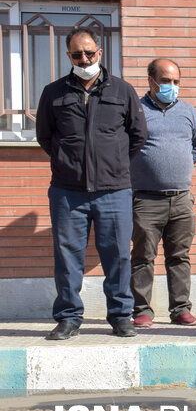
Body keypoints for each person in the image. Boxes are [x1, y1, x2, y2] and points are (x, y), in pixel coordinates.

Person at [35, 26, 147, 340]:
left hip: (114, 190)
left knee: (118, 255)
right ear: (68, 56)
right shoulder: (53, 92)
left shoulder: (122, 91)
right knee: (68, 255)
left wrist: (113, 163)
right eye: (76, 54)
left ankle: (120, 316)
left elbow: (138, 136)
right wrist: (66, 160)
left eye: (89, 52)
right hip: (67, 192)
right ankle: (69, 317)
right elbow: (44, 136)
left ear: (99, 53)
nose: (84, 58)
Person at [130, 58, 196, 328]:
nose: (171, 86)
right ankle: (142, 311)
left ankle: (180, 310)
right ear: (151, 81)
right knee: (142, 258)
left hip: (181, 199)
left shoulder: (188, 112)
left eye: (176, 82)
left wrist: (177, 167)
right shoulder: (136, 111)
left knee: (179, 257)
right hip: (146, 200)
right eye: (165, 81)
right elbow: (123, 148)